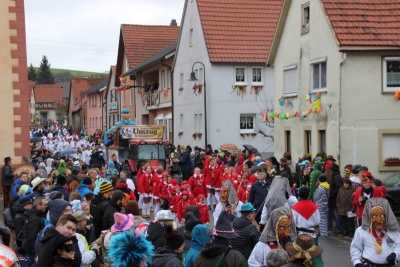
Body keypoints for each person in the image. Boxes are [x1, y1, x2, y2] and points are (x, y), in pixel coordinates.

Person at [350, 198, 400, 267]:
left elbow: (398, 245)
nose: (378, 220)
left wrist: (395, 254)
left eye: (381, 216)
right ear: (369, 217)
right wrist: (357, 263)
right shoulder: (361, 231)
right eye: (374, 216)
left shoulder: (392, 231)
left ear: (386, 216)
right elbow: (356, 248)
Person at [20, 197, 46, 267]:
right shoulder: (35, 219)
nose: (45, 207)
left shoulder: (32, 215)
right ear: (38, 205)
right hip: (30, 250)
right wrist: (35, 252)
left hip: (27, 247)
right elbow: (32, 237)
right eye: (44, 205)